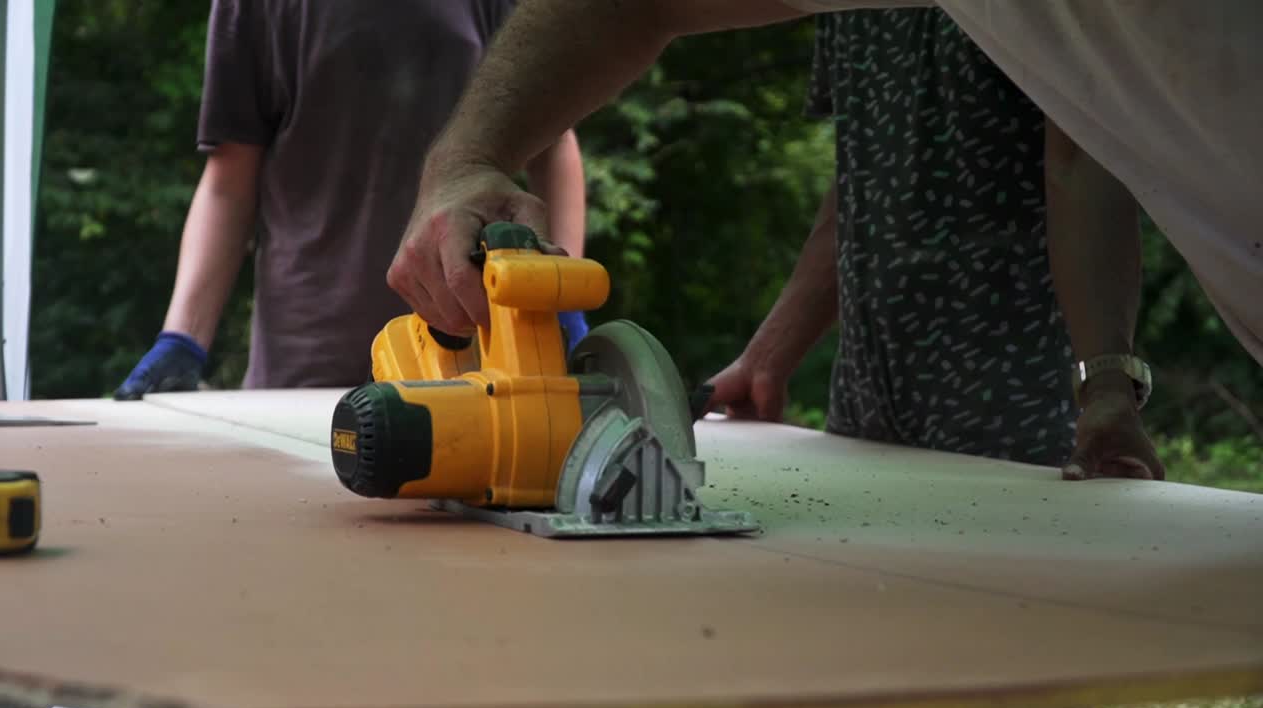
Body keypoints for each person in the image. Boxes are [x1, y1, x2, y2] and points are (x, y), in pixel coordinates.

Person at [385, 0, 1262, 481]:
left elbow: (1079, 160)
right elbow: (857, 178)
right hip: (874, 367)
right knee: (875, 620)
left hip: (1004, 361)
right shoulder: (853, 18)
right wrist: (771, 355)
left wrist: (1100, 380)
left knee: (1011, 631)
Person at [113, 0, 589, 400]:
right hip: (304, 365)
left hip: (471, 355)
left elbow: (555, 142)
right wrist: (183, 339)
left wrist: (557, 297)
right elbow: (228, 179)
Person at [706, 8, 1097, 474]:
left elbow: (1084, 168)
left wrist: (1109, 385)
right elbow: (864, 171)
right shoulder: (840, 8)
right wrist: (768, 357)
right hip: (865, 410)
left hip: (1018, 409)